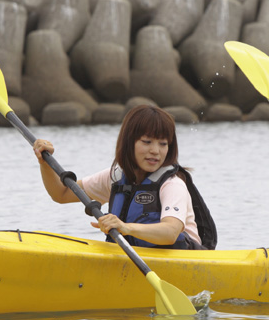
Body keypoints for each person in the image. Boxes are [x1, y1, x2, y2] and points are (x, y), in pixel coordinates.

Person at [32, 104, 206, 250]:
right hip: (138, 258)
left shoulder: (172, 184)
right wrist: (44, 163)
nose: (156, 151)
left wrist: (125, 227)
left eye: (163, 144)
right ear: (129, 142)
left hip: (184, 260)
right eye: (147, 142)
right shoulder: (115, 177)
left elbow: (170, 232)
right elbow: (61, 194)